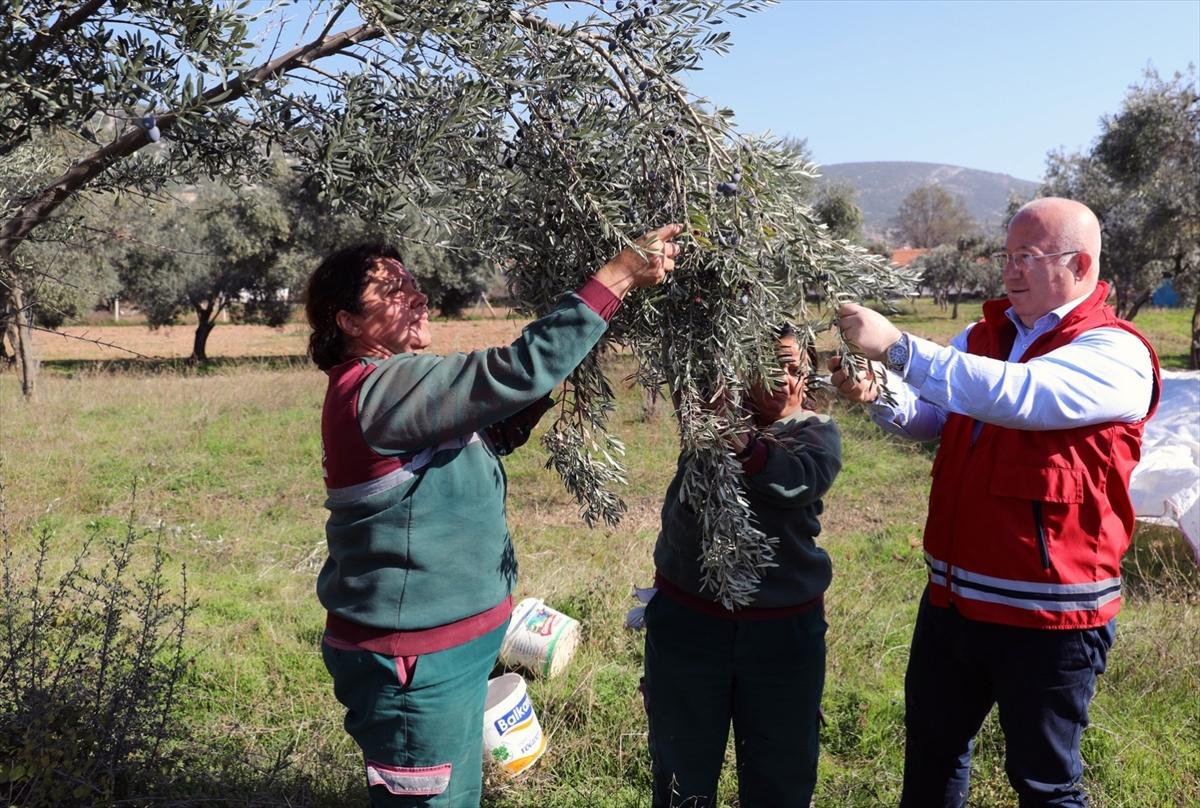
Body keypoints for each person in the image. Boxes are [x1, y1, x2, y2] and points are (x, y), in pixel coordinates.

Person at [304, 224, 683, 807]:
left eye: (414, 283)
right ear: (348, 322)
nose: (418, 296)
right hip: (415, 664)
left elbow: (485, 428)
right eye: (394, 291)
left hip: (446, 649)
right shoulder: (378, 390)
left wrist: (582, 340)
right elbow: (511, 373)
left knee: (455, 793)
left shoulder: (392, 390)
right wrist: (618, 276)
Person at [831, 197, 1161, 807]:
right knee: (932, 756)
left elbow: (1021, 396)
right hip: (954, 600)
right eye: (1005, 256)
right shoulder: (986, 333)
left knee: (1045, 782)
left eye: (1027, 257)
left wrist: (900, 349)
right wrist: (877, 394)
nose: (1008, 271)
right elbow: (932, 417)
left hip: (1049, 618)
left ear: (1080, 263)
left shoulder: (1117, 352)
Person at [642, 326, 842, 808]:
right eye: (772, 366)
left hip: (783, 636)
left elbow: (796, 481)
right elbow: (683, 352)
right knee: (680, 775)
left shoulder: (817, 432)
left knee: (782, 776)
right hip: (689, 624)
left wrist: (742, 442)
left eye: (796, 369)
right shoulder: (706, 415)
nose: (785, 380)